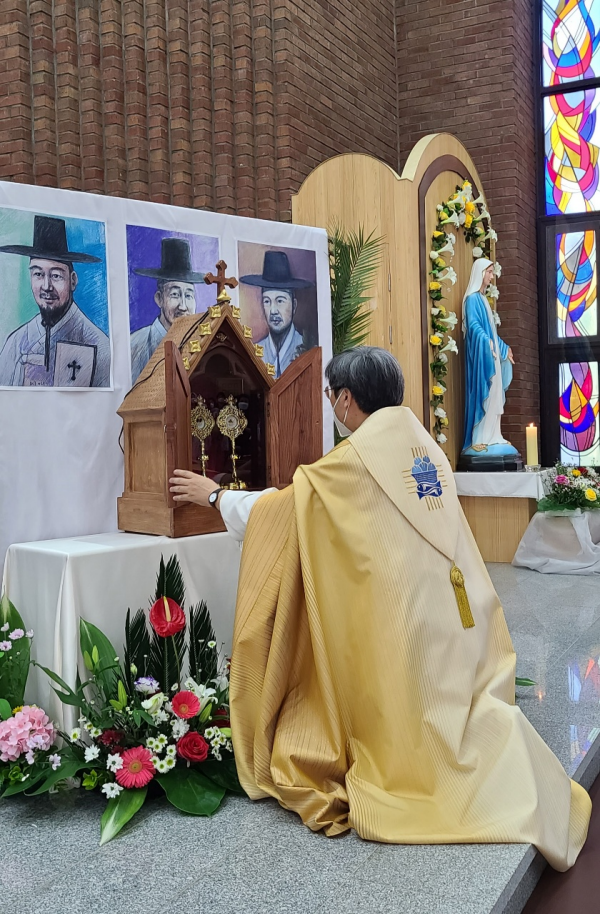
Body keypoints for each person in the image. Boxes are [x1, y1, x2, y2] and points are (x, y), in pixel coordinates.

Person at [170, 346, 590, 871]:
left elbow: (285, 509)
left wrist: (215, 496)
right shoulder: (422, 445)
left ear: (346, 399)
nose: (331, 405)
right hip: (455, 620)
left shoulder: (356, 459)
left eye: (330, 396)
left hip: (405, 632)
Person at [0, 215, 109, 387]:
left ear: (73, 281)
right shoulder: (16, 342)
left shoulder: (99, 345)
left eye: (56, 276)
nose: (46, 286)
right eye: (38, 274)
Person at [462, 258, 518, 461]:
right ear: (480, 273)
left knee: (495, 396)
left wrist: (504, 348)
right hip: (483, 356)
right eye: (489, 272)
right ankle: (479, 438)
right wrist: (487, 342)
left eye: (492, 272)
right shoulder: (472, 299)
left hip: (492, 355)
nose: (492, 276)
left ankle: (494, 436)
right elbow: (474, 326)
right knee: (486, 393)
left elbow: (492, 332)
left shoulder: (484, 300)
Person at [130, 238, 205, 383]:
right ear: (159, 299)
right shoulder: (135, 345)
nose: (183, 306)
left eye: (188, 296)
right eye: (175, 294)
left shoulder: (202, 342)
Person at [240, 250, 314, 378]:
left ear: (294, 305)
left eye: (280, 301)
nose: (273, 310)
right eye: (267, 301)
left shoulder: (308, 349)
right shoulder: (254, 352)